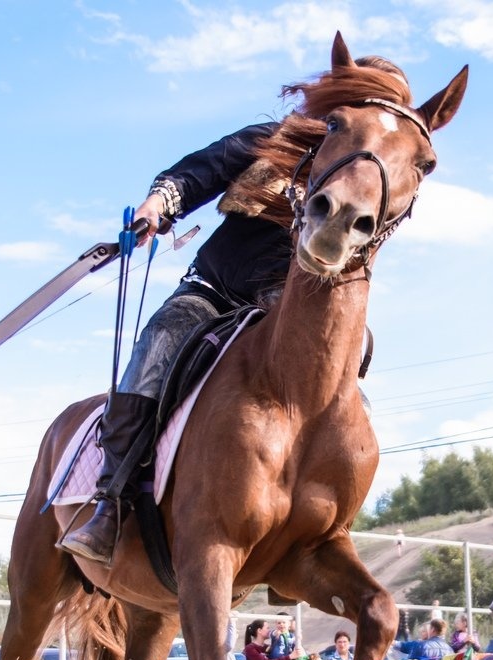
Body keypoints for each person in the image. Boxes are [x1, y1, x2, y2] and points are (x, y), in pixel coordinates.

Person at [57, 54, 417, 565]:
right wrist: (158, 206)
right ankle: (110, 503)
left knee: (356, 361)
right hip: (216, 291)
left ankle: (323, 523)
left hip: (293, 310)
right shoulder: (272, 139)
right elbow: (199, 172)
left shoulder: (378, 171)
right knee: (157, 347)